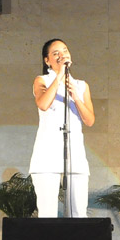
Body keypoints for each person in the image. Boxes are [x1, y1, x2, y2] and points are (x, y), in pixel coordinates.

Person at [29, 38, 95, 217]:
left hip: (75, 154)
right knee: (48, 213)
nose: (61, 55)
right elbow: (43, 104)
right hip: (46, 154)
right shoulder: (41, 80)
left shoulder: (81, 85)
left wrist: (75, 95)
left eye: (64, 51)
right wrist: (59, 76)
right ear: (47, 60)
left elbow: (89, 120)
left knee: (78, 213)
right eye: (55, 53)